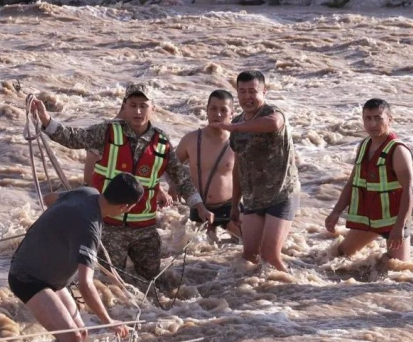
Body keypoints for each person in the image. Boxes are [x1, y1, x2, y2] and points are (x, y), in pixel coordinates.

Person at [31, 83, 213, 290]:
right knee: (111, 284)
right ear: (124, 106)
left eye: (143, 106)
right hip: (109, 226)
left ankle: (151, 317)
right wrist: (46, 120)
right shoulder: (107, 132)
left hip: (145, 228)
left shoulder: (161, 141)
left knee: (153, 282)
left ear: (152, 108)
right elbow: (73, 137)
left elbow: (181, 177)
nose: (137, 111)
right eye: (133, 105)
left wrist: (199, 205)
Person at [8, 173, 142, 342]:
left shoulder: (87, 192)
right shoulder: (89, 230)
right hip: (27, 278)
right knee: (73, 340)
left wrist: (61, 230)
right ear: (125, 207)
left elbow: (49, 199)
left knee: (82, 334)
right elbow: (85, 284)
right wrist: (109, 321)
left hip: (52, 278)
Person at [212, 71, 300, 272]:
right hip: (253, 199)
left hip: (281, 194)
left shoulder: (272, 112)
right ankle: (254, 298)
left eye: (252, 91)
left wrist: (237, 127)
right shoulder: (237, 122)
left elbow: (274, 124)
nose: (247, 97)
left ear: (264, 91)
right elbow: (238, 166)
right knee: (250, 256)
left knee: (270, 257)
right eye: (242, 92)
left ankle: (294, 292)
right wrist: (235, 204)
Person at [325, 99, 413, 261]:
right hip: (370, 218)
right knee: (340, 255)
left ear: (389, 119)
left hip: (394, 220)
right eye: (368, 118)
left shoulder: (398, 151)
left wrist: (399, 226)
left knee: (397, 269)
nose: (372, 124)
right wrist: (335, 212)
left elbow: (410, 190)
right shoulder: (364, 145)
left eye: (378, 118)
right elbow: (352, 183)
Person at [169, 89, 241, 239]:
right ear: (207, 111)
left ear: (231, 114)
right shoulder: (191, 140)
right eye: (213, 109)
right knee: (198, 255)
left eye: (223, 110)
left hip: (229, 207)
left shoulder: (238, 142)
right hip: (200, 207)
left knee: (247, 249)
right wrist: (173, 185)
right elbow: (169, 166)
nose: (218, 114)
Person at [83, 99, 173, 208]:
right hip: (107, 205)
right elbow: (88, 177)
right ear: (126, 108)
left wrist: (159, 191)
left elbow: (139, 172)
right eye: (134, 107)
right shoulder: (105, 134)